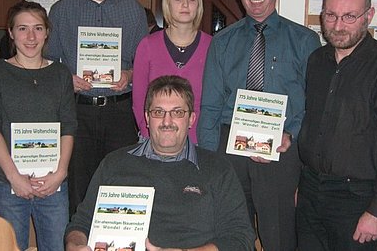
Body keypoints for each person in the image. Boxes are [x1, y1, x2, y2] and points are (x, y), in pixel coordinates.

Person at [197, 0, 321, 250]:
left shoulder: (305, 41)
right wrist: (207, 162)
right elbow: (211, 107)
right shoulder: (222, 42)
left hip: (282, 148)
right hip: (230, 151)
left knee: (278, 235)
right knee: (228, 232)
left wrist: (291, 135)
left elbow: (314, 106)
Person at [65, 75, 255, 251]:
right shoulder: (114, 164)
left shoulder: (217, 168)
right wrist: (76, 245)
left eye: (177, 112)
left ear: (191, 119)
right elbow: (81, 223)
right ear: (147, 118)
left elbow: (240, 236)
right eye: (158, 112)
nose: (167, 121)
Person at [296, 0, 377, 251]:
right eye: (331, 15)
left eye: (349, 16)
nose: (338, 26)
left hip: (357, 200)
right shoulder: (317, 61)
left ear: (368, 16)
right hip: (311, 193)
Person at [46, 0, 148, 216]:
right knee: (79, 191)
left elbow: (146, 64)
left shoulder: (133, 10)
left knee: (122, 187)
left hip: (120, 113)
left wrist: (130, 74)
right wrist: (66, 79)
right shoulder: (61, 11)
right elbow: (47, 64)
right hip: (78, 113)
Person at [0, 0, 77, 251]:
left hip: (52, 183)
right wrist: (14, 177)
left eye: (38, 28)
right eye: (22, 28)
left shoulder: (61, 74)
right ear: (11, 33)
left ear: (47, 32)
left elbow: (68, 125)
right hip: (7, 183)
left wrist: (60, 173)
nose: (31, 37)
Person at [133, 0, 212, 144]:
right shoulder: (147, 45)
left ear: (198, 5)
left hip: (199, 142)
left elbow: (215, 103)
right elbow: (139, 100)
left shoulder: (213, 47)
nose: (185, 5)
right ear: (167, 3)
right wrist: (149, 136)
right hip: (154, 142)